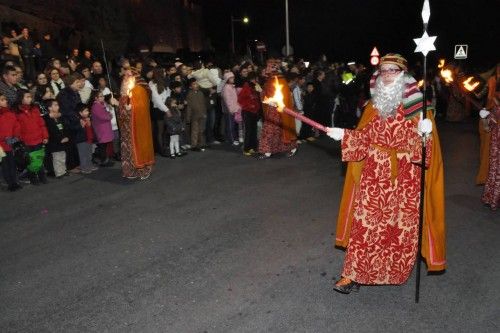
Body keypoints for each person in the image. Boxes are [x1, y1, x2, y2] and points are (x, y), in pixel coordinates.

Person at [327, 54, 446, 293]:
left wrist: (425, 135)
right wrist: (345, 135)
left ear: (403, 74)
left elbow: (428, 153)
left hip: (405, 178)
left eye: (393, 70)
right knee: (364, 226)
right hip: (373, 176)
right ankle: (352, 275)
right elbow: (365, 138)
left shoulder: (418, 107)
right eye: (384, 70)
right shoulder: (373, 106)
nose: (388, 74)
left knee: (398, 229)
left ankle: (392, 272)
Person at [117, 67, 155, 180]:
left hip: (138, 126)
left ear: (135, 77)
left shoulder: (139, 90)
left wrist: (131, 108)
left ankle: (144, 170)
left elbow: (141, 108)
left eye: (129, 75)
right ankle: (131, 171)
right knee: (128, 147)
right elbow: (122, 107)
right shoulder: (124, 91)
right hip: (126, 126)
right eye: (125, 75)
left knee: (139, 146)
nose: (126, 77)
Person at [258, 65, 297, 159]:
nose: (265, 72)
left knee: (282, 129)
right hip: (271, 110)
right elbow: (267, 94)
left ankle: (292, 148)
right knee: (271, 130)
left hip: (281, 110)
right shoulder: (269, 80)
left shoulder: (280, 80)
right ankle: (268, 151)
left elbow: (284, 96)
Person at [16, 90, 49, 185]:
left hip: (38, 138)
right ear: (21, 98)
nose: (30, 98)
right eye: (27, 97)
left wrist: (45, 136)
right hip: (26, 141)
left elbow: (41, 124)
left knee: (39, 158)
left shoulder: (35, 109)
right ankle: (33, 177)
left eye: (30, 96)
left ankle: (42, 175)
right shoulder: (17, 112)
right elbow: (17, 128)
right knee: (30, 160)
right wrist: (20, 139)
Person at [480, 67, 500, 210]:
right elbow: (488, 126)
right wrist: (485, 118)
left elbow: (489, 125)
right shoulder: (496, 104)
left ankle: (494, 199)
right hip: (496, 145)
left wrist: (486, 118)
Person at [0, 93, 22, 191]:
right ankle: (10, 183)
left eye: (5, 99)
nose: (5, 101)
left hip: (10, 143)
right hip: (1, 146)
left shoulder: (10, 113)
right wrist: (4, 138)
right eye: (2, 99)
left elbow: (17, 126)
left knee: (12, 163)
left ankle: (15, 181)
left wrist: (15, 138)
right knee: (5, 165)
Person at [44, 99, 70, 178]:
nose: (58, 107)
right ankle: (59, 172)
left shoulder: (59, 117)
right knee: (57, 157)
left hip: (63, 139)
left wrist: (66, 136)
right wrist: (60, 138)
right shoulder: (47, 118)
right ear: (49, 108)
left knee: (62, 156)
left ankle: (63, 170)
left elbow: (64, 127)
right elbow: (52, 131)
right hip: (54, 142)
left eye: (58, 105)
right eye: (55, 105)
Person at [238, 71, 261, 156]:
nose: (257, 80)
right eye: (256, 78)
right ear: (252, 79)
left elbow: (258, 99)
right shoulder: (246, 86)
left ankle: (253, 147)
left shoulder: (256, 87)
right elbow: (240, 99)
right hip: (247, 112)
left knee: (254, 130)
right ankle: (246, 149)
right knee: (248, 130)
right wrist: (249, 105)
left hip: (254, 112)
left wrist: (257, 108)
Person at [90, 90, 114, 167]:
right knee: (102, 146)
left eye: (102, 96)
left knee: (104, 145)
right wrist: (109, 116)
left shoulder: (102, 104)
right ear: (95, 98)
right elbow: (102, 116)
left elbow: (106, 113)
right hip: (101, 129)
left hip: (104, 128)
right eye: (100, 96)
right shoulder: (96, 106)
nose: (103, 97)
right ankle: (103, 161)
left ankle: (104, 159)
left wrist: (108, 114)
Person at [186, 78, 207, 152]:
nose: (196, 85)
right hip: (194, 115)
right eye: (194, 84)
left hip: (202, 114)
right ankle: (194, 145)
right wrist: (188, 117)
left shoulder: (201, 93)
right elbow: (189, 107)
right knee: (195, 131)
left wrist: (204, 113)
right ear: (190, 86)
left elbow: (203, 104)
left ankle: (201, 144)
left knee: (201, 130)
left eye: (197, 83)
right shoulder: (190, 94)